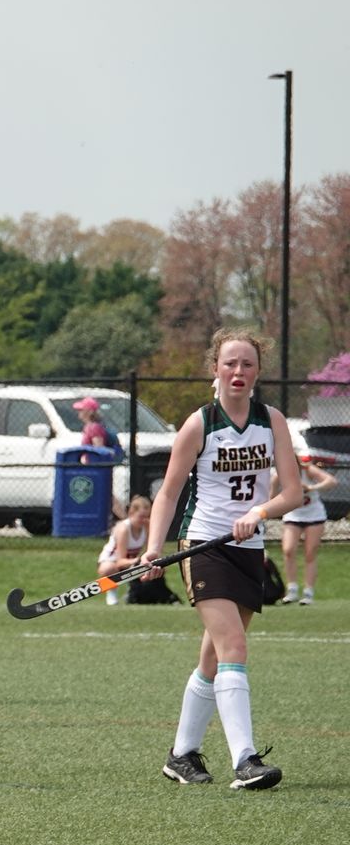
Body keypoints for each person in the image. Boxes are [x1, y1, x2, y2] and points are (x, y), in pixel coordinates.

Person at [143, 328, 303, 791]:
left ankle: (181, 755)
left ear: (258, 372)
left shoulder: (272, 421)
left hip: (249, 551)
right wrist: (153, 547)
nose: (238, 371)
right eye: (230, 363)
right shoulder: (199, 424)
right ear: (215, 368)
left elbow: (293, 493)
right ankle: (246, 761)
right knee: (233, 645)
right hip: (203, 547)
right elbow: (168, 493)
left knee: (213, 659)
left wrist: (259, 512)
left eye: (247, 364)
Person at [276, 454, 335, 604]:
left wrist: (312, 487)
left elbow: (331, 481)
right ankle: (292, 590)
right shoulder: (279, 474)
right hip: (293, 515)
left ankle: (308, 593)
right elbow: (271, 495)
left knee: (310, 553)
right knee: (288, 550)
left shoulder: (308, 470)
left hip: (314, 515)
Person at [98, 495, 156, 605]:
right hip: (113, 561)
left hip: (130, 561)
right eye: (141, 517)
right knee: (108, 569)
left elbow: (149, 550)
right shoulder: (123, 529)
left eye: (147, 516)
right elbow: (120, 562)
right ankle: (111, 592)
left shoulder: (146, 526)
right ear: (131, 513)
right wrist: (137, 561)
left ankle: (137, 593)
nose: (144, 520)